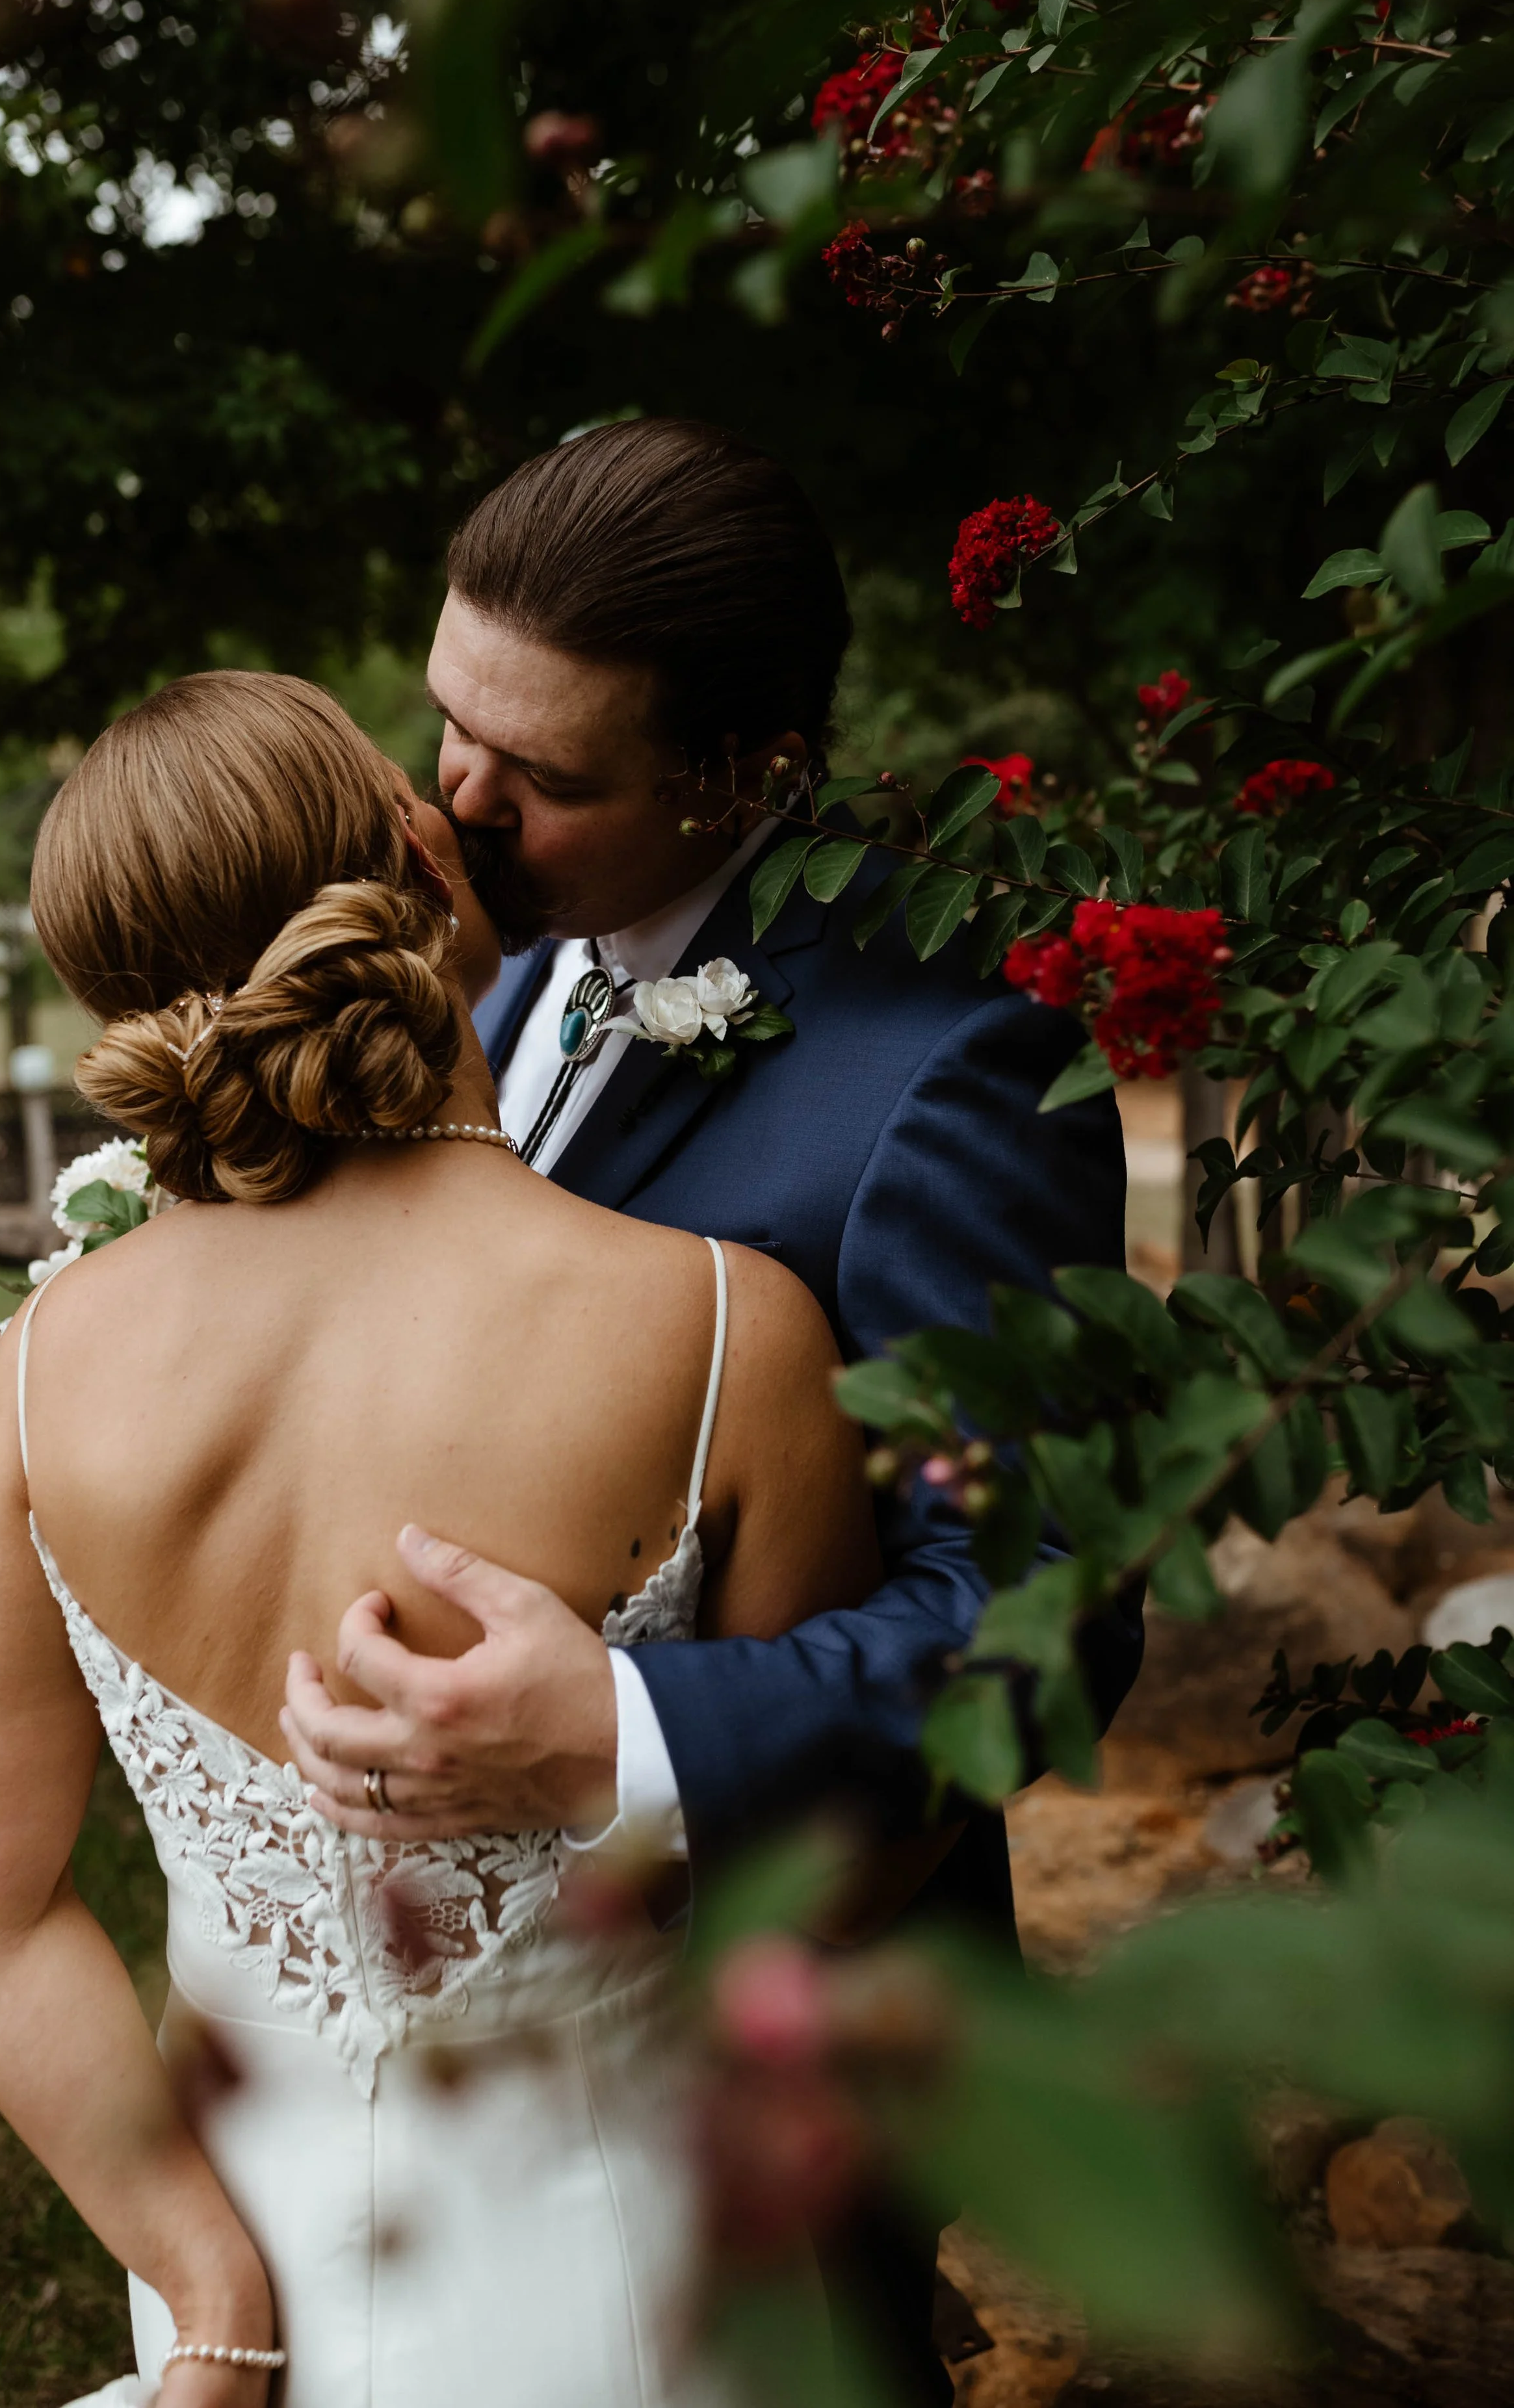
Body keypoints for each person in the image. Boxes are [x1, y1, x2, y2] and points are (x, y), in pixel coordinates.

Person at [0, 669, 884, 2408]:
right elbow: (825, 1855)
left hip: (250, 2263)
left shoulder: (47, 1374)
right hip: (639, 2265)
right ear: (423, 857)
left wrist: (200, 2272)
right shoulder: (724, 1329)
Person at [281, 418, 1142, 2405]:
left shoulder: (954, 1060)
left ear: (748, 771)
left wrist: (625, 1729)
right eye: (446, 724)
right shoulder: (493, 968)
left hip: (772, 2023)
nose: (454, 803)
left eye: (546, 775)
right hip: (471, 2014)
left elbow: (1049, 1609)